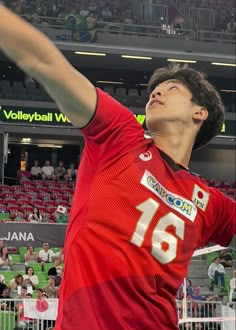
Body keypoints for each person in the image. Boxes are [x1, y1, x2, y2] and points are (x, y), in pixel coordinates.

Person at [0, 6, 235, 329]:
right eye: (156, 88)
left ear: (200, 113)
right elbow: (46, 63)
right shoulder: (121, 137)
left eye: (173, 89)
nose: (156, 92)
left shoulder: (212, 203)